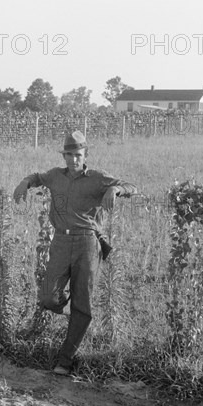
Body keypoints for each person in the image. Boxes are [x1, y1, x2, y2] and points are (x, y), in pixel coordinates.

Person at [13, 130, 137, 376]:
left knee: (83, 305)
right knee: (49, 297)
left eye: (77, 155)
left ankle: (66, 359)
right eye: (68, 155)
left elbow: (131, 186)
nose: (72, 160)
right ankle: (70, 307)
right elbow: (37, 176)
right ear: (64, 156)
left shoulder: (97, 178)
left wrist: (115, 190)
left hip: (87, 244)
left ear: (85, 155)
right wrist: (24, 182)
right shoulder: (55, 176)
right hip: (60, 241)